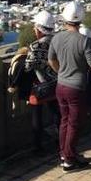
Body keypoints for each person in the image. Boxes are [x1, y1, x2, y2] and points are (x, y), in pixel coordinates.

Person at [48, 1, 91, 172]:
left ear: (65, 19)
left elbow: (51, 60)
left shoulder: (56, 37)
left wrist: (60, 72)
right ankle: (69, 160)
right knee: (74, 123)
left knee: (64, 121)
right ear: (81, 20)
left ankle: (64, 154)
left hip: (60, 85)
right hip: (77, 87)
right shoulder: (85, 41)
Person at [22, 11, 60, 152]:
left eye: (35, 27)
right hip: (58, 83)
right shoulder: (58, 40)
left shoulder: (36, 46)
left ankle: (38, 147)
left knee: (36, 115)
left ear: (39, 29)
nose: (33, 29)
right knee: (56, 113)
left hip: (42, 86)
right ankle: (59, 141)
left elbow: (27, 67)